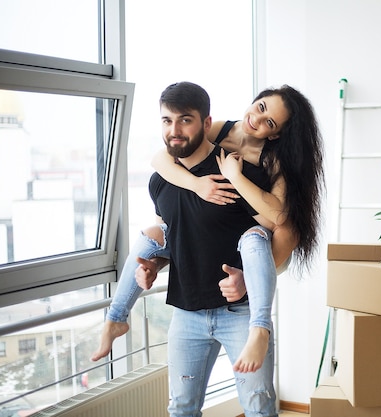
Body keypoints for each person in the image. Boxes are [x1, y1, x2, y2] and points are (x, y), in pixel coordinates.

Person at [91, 84, 324, 375]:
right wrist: (197, 185)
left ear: (275, 134)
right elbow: (159, 158)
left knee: (257, 238)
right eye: (261, 107)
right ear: (255, 101)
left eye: (270, 123)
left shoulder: (272, 159)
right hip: (222, 246)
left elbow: (281, 220)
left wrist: (234, 177)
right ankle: (115, 317)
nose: (257, 119)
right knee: (151, 234)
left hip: (268, 248)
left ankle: (260, 328)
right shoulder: (220, 130)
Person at [140, 81, 282, 416]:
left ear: (206, 124)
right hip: (186, 310)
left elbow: (275, 225)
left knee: (259, 407)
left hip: (241, 313)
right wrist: (155, 263)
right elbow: (177, 236)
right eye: (166, 120)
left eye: (185, 120)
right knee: (181, 409)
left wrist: (235, 179)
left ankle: (262, 328)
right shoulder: (160, 178)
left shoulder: (237, 172)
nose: (174, 130)